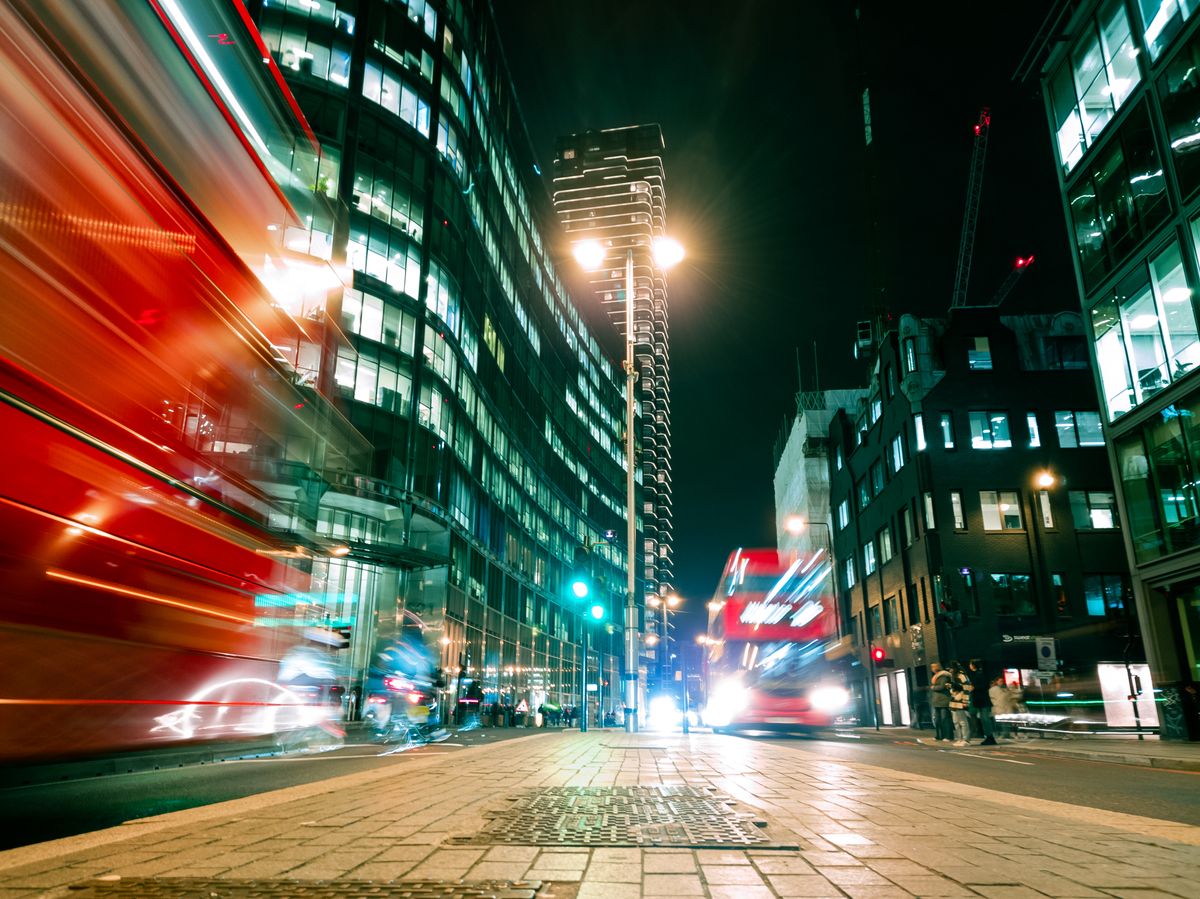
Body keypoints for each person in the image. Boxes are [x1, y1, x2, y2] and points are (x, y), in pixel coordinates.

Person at [968, 659, 996, 745]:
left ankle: (990, 737)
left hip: (983, 700)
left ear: (974, 665)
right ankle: (988, 737)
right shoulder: (978, 674)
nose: (970, 666)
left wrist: (974, 687)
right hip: (981, 700)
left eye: (970, 664)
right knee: (984, 719)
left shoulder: (980, 674)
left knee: (985, 719)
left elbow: (984, 686)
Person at [947, 661, 973, 747]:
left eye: (950, 669)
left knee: (962, 721)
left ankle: (966, 739)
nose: (950, 670)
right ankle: (960, 739)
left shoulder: (961, 676)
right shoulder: (953, 677)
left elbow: (967, 688)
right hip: (954, 701)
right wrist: (950, 687)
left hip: (959, 700)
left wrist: (965, 701)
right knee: (956, 722)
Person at [929, 662, 953, 742]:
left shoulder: (943, 676)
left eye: (933, 667)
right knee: (938, 719)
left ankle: (948, 736)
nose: (932, 669)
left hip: (943, 700)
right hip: (937, 701)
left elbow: (942, 686)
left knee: (945, 719)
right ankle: (939, 735)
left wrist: (933, 687)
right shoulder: (936, 676)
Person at [989, 675, 1018, 740]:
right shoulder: (995, 689)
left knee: (1005, 722)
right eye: (1000, 681)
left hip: (1004, 708)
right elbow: (1000, 698)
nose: (1001, 682)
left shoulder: (1003, 689)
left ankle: (1006, 734)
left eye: (1002, 681)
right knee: (1001, 722)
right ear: (996, 681)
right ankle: (1003, 734)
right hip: (999, 708)